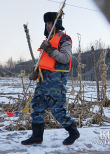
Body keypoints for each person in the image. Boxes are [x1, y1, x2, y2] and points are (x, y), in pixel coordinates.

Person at [21, 12, 80, 145]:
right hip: (43, 81)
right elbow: (44, 61)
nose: (47, 26)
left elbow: (65, 58)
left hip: (55, 82)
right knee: (36, 107)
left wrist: (49, 49)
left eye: (49, 23)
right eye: (46, 24)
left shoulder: (64, 39)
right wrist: (35, 71)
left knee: (58, 110)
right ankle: (37, 137)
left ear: (56, 24)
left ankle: (73, 132)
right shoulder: (48, 41)